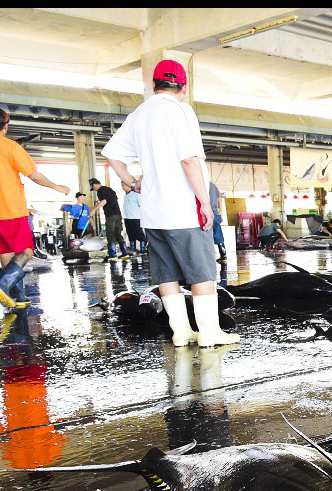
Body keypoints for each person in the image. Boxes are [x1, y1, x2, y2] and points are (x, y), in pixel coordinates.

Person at [102, 59, 239, 347]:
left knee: (166, 275)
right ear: (183, 87)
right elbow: (189, 160)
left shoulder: (139, 114)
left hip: (153, 214)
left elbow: (113, 154)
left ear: (154, 85)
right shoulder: (180, 110)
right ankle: (209, 334)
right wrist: (204, 202)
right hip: (183, 210)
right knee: (202, 273)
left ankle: (181, 333)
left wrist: (133, 181)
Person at [0, 106, 70, 309]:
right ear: (5, 126)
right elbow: (33, 174)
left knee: (6, 251)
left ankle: (17, 298)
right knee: (26, 251)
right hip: (10, 209)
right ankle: (2, 283)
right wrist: (57, 186)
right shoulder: (10, 147)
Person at [90, 177, 128, 259]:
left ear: (94, 185)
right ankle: (125, 253)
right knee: (118, 233)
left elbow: (104, 201)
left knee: (110, 233)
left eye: (93, 188)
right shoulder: (110, 190)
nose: (94, 190)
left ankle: (112, 254)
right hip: (118, 214)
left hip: (111, 215)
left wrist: (93, 209)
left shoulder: (101, 190)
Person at [121, 179, 145, 253]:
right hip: (127, 217)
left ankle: (143, 249)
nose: (122, 187)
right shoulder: (125, 195)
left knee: (139, 233)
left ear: (128, 185)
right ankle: (133, 249)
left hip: (135, 218)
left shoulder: (136, 194)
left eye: (123, 185)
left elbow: (142, 205)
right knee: (130, 234)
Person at [208, 180, 226, 264]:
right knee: (218, 233)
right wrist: (221, 212)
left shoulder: (200, 182)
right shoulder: (213, 185)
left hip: (206, 211)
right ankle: (223, 256)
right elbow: (220, 199)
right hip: (215, 212)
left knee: (205, 235)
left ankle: (208, 258)